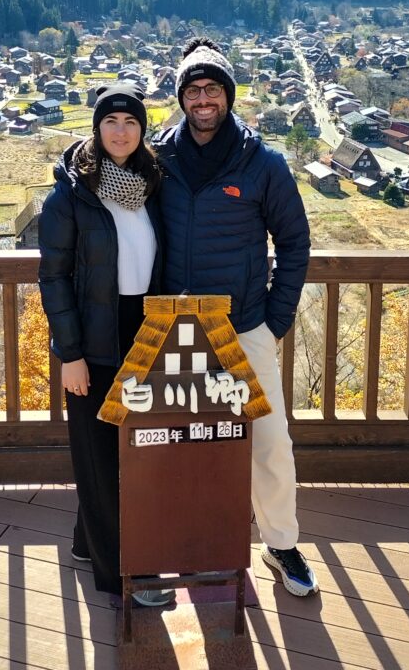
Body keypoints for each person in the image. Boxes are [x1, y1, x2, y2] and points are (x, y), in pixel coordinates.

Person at [153, 38, 319, 597]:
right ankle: (188, 539)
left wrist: (275, 318)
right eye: (193, 89)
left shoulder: (262, 162)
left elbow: (294, 242)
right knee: (179, 441)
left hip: (244, 324)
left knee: (269, 441)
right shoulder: (161, 158)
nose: (203, 99)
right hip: (175, 324)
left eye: (213, 89)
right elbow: (106, 184)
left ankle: (281, 543)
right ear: (181, 97)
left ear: (228, 95)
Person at [38, 83, 174, 607]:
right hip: (93, 337)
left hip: (143, 324)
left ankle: (84, 541)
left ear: (142, 131)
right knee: (99, 454)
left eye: (131, 122)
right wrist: (69, 354)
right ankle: (124, 575)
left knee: (129, 447)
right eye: (111, 121)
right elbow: (52, 277)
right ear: (97, 129)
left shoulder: (152, 184)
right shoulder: (72, 193)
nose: (121, 130)